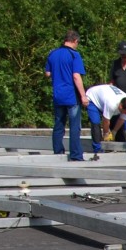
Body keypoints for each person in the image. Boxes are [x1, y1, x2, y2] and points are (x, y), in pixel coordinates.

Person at [44, 30, 87, 162]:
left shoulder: (53, 53)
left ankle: (58, 152)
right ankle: (76, 154)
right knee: (74, 126)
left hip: (58, 94)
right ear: (75, 41)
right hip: (71, 95)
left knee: (59, 124)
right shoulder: (74, 55)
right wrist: (83, 96)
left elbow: (47, 74)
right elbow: (76, 76)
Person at [84, 83, 126, 158]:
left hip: (105, 98)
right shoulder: (112, 103)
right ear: (120, 106)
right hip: (93, 98)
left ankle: (119, 146)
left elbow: (122, 119)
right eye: (125, 112)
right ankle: (98, 149)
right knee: (95, 122)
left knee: (118, 124)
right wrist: (106, 134)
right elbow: (106, 120)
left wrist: (114, 132)